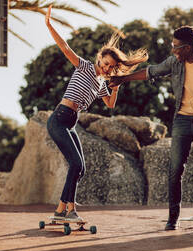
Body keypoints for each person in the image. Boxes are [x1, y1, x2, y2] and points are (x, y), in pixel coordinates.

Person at [110, 26, 193, 232]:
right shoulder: (175, 62)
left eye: (176, 47)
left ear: (188, 48)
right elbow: (151, 71)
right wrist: (122, 79)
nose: (173, 51)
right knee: (175, 168)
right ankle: (173, 217)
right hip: (182, 119)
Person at [45, 5, 148, 220]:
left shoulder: (102, 83)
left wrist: (116, 87)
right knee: (75, 163)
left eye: (111, 67)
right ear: (99, 57)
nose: (108, 68)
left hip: (72, 122)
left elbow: (110, 104)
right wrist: (49, 25)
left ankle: (59, 210)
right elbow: (64, 47)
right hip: (60, 118)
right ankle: (70, 210)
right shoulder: (84, 67)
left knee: (80, 169)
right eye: (106, 63)